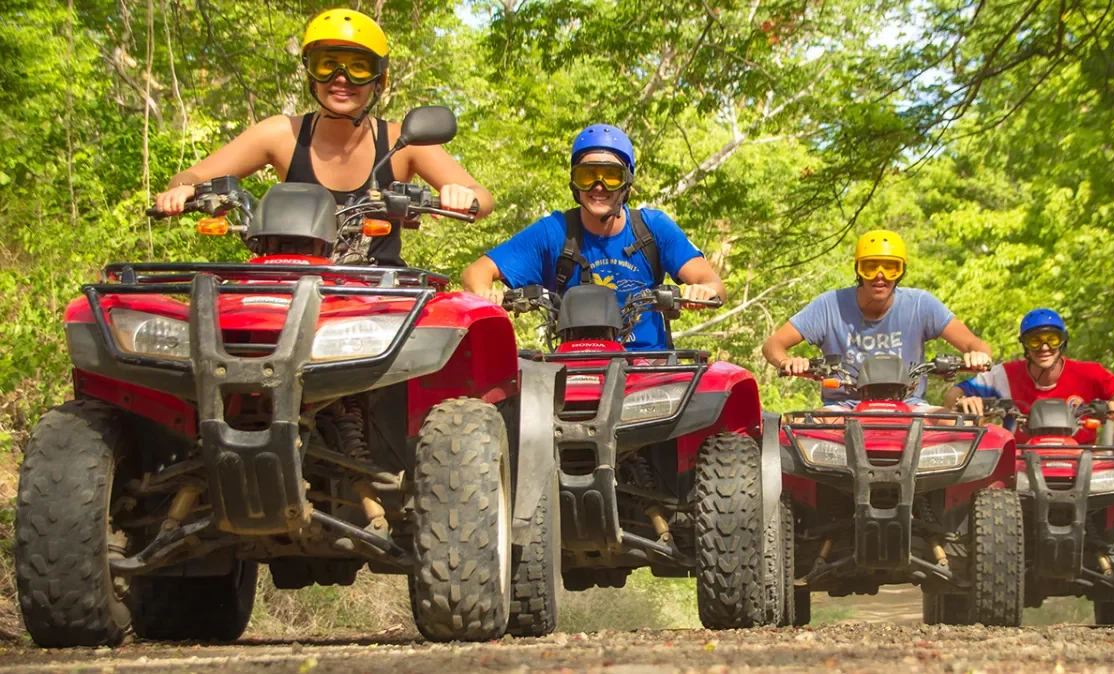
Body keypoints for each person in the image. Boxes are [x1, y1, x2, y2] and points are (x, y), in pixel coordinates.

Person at [152, 8, 492, 265]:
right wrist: (183, 189)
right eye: (326, 64)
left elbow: (484, 198)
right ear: (311, 76)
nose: (340, 78)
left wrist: (460, 195)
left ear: (378, 81)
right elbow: (192, 176)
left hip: (382, 296)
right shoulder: (280, 134)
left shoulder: (403, 142)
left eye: (357, 67)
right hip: (286, 282)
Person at [461, 124, 726, 351]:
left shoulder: (653, 228)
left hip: (648, 367)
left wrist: (702, 290)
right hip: (574, 364)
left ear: (626, 183)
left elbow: (715, 285)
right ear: (574, 183)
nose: (598, 187)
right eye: (587, 175)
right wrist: (486, 294)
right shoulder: (553, 232)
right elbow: (477, 271)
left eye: (610, 176)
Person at [762, 229, 992, 410]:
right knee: (798, 435)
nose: (880, 276)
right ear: (858, 270)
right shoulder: (828, 305)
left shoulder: (921, 304)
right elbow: (773, 345)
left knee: (957, 430)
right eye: (870, 267)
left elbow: (976, 345)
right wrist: (788, 362)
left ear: (901, 272)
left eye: (890, 268)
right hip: (843, 406)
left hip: (911, 405)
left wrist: (978, 355)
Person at [945, 308, 1114, 442]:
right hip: (1020, 460)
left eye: (1052, 339)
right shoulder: (1004, 375)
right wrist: (962, 401)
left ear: (1063, 341)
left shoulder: (1088, 373)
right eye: (1035, 341)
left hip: (1082, 456)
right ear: (1025, 345)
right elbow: (953, 395)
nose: (1044, 348)